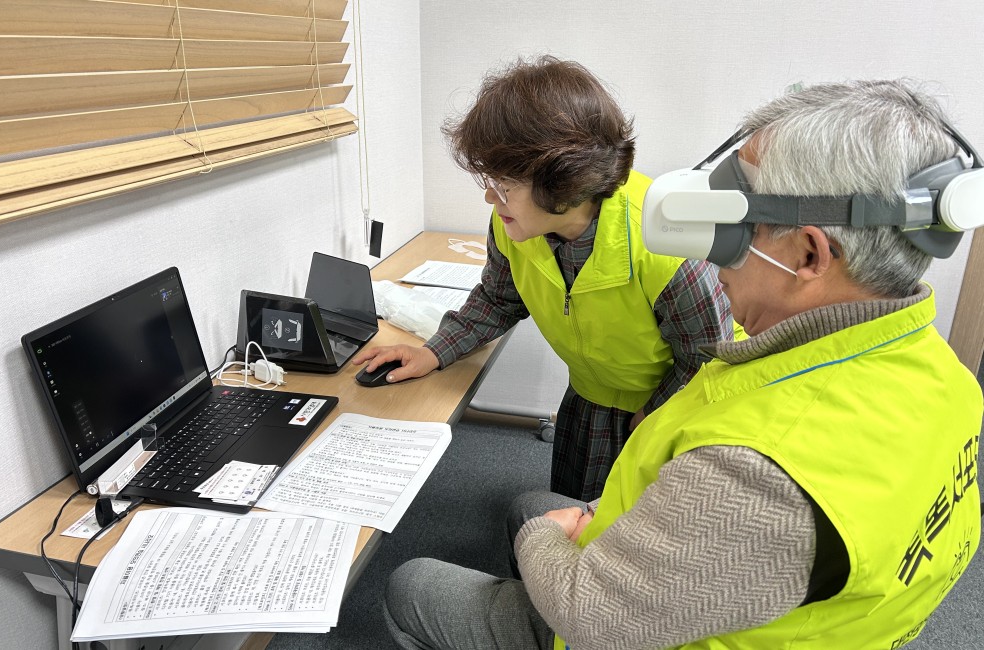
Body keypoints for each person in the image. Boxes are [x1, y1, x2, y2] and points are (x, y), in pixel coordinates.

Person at [383, 79, 983, 649]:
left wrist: (547, 536)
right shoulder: (947, 378)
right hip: (733, 580)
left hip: (626, 626)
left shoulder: (757, 473)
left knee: (443, 568)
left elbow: (594, 614)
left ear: (808, 254)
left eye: (732, 229)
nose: (712, 259)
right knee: (530, 503)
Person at [353, 56, 735, 501]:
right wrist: (433, 353)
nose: (489, 196)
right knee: (568, 511)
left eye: (504, 184)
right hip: (592, 392)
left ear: (564, 181)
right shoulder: (514, 225)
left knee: (635, 529)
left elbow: (710, 356)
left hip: (676, 400)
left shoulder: (666, 242)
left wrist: (655, 416)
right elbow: (497, 301)